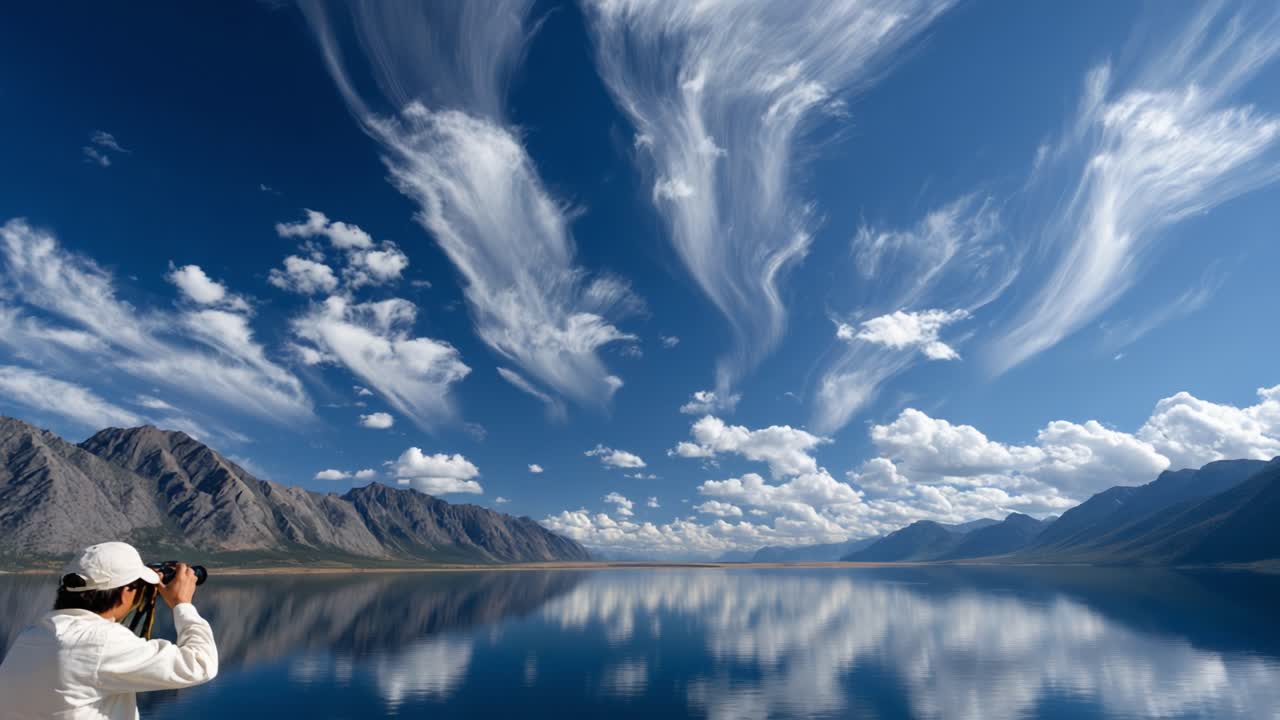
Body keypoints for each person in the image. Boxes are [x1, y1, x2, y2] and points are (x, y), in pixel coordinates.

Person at [0, 542, 218, 719]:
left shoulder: (33, 635)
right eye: (139, 586)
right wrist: (182, 604)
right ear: (125, 593)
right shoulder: (100, 642)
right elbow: (200, 664)